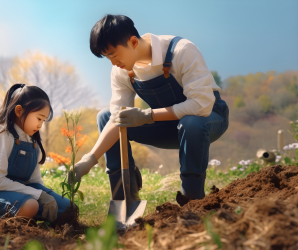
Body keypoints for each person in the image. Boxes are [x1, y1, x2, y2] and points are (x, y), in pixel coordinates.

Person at [72, 15, 229, 205]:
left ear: (133, 42)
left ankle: (193, 201)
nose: (113, 63)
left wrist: (148, 115)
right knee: (106, 117)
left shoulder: (181, 51)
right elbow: (116, 118)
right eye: (107, 58)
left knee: (191, 122)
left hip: (206, 119)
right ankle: (124, 199)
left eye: (114, 55)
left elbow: (200, 105)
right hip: (166, 126)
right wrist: (90, 159)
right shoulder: (122, 71)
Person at [0, 83, 70, 221]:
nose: (40, 125)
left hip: (17, 192)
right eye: (39, 118)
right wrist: (38, 196)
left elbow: (34, 181)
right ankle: (0, 217)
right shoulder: (1, 135)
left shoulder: (33, 141)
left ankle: (27, 213)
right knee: (31, 205)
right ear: (19, 111)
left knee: (68, 209)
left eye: (43, 120)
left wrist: (45, 196)